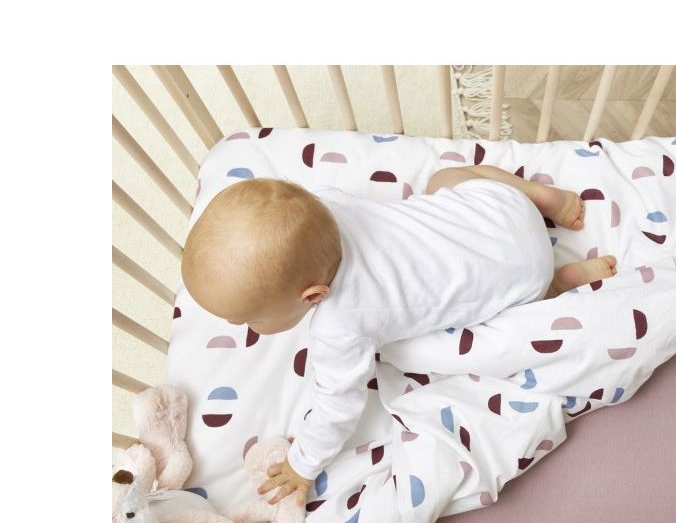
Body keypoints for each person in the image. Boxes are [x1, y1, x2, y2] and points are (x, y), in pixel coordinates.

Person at [181, 165, 618, 504]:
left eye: (248, 320)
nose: (239, 327)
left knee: (469, 342)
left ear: (313, 296)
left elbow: (336, 407)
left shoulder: (341, 326)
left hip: (525, 277)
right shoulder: (326, 207)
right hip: (504, 206)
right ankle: (543, 198)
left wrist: (302, 464)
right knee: (443, 179)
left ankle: (556, 284)